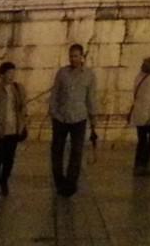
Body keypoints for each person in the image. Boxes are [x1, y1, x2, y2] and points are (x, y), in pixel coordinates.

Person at [49, 43, 99, 196]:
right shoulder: (62, 73)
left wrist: (93, 118)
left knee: (76, 152)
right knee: (57, 150)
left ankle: (71, 183)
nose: (73, 59)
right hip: (61, 117)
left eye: (76, 56)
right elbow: (55, 93)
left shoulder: (89, 75)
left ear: (82, 57)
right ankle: (59, 181)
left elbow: (91, 98)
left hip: (79, 118)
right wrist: (54, 112)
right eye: (71, 56)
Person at [0, 61, 28, 203]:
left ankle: (4, 181)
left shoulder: (18, 89)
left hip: (13, 131)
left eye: (13, 73)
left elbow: (23, 108)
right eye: (9, 73)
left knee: (9, 160)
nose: (11, 76)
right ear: (1, 75)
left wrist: (21, 125)